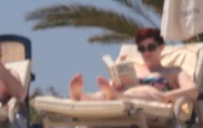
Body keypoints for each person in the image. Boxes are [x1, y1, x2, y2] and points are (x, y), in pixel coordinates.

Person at [68, 27, 196, 102]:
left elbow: (193, 90)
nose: (146, 52)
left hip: (152, 99)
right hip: (125, 98)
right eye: (142, 49)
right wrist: (115, 85)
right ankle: (82, 96)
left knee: (147, 90)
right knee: (105, 93)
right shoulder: (133, 69)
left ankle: (115, 96)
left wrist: (166, 96)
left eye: (151, 47)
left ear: (161, 47)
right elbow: (110, 88)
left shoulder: (172, 71)